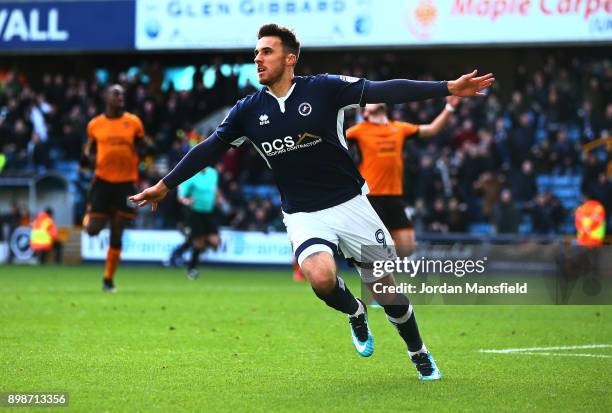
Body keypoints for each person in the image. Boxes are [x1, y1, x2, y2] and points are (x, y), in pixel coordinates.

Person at [130, 24, 494, 380]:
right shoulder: (246, 111)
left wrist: (447, 87)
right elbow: (208, 148)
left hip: (350, 204)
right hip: (303, 213)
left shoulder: (324, 89)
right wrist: (165, 184)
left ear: (290, 59)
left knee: (386, 290)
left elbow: (387, 90)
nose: (257, 58)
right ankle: (354, 311)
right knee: (321, 278)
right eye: (256, 52)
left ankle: (419, 353)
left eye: (266, 52)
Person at [346, 97, 460, 252]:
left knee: (407, 248)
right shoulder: (357, 131)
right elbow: (334, 139)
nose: (375, 100)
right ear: (364, 112)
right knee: (374, 251)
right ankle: (372, 260)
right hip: (371, 197)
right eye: (369, 101)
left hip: (395, 196)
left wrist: (450, 108)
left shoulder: (400, 128)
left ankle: (382, 253)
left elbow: (432, 129)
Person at [82, 84, 146, 293]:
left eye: (122, 94)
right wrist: (87, 162)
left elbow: (143, 146)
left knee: (117, 233)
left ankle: (108, 279)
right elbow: (88, 152)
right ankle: (91, 215)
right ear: (106, 97)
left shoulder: (133, 122)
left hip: (126, 184)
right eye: (116, 93)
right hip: (102, 182)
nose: (121, 97)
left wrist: (147, 157)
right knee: (93, 230)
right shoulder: (95, 125)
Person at [168, 166, 221, 279]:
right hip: (194, 212)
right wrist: (187, 201)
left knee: (215, 242)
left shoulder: (213, 173)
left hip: (209, 211)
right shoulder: (190, 174)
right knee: (200, 243)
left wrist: (219, 197)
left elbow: (214, 188)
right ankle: (191, 269)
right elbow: (181, 196)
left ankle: (186, 243)